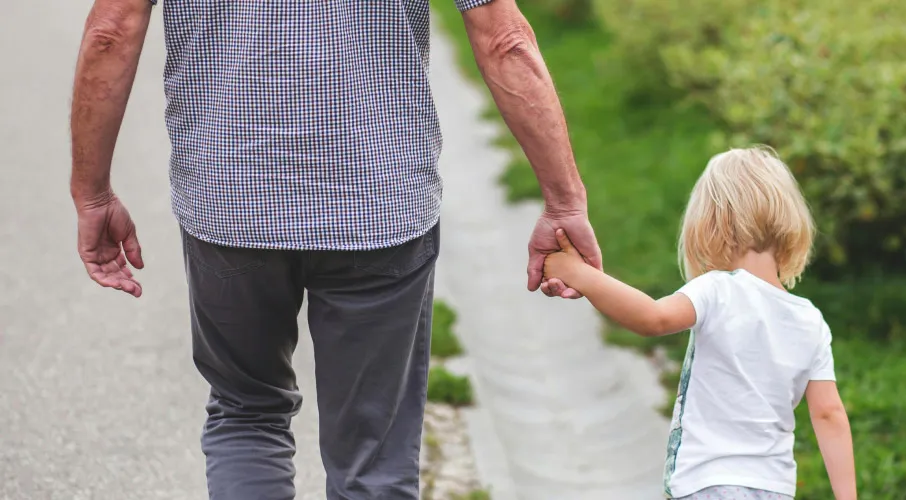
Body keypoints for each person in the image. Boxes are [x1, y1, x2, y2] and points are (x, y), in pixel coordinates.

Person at [68, 0, 601, 498]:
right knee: (375, 458)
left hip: (229, 203)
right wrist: (564, 202)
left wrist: (92, 192)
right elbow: (504, 39)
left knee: (246, 415)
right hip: (378, 205)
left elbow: (111, 32)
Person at [543, 147, 857, 500]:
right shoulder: (809, 319)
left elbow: (652, 318)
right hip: (774, 489)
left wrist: (576, 273)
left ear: (712, 223)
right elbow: (829, 413)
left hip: (709, 484)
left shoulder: (718, 289)